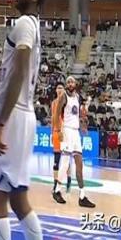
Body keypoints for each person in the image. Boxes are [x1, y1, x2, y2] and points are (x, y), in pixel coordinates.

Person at [0, 0, 46, 240]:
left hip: (13, 116)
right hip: (24, 115)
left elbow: (19, 74)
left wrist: (0, 122)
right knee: (18, 199)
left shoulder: (24, 24)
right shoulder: (33, 25)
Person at [52, 76, 95, 208]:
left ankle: (82, 196)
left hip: (76, 132)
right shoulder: (63, 96)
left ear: (75, 84)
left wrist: (84, 125)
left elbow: (79, 115)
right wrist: (58, 130)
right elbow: (56, 114)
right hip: (66, 130)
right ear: (66, 85)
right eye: (68, 82)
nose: (70, 83)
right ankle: (57, 190)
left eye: (72, 82)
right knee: (65, 163)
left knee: (79, 164)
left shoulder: (77, 97)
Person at [51, 83, 72, 194]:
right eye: (58, 88)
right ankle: (55, 184)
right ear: (55, 90)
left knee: (66, 160)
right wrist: (51, 133)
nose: (59, 90)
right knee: (56, 161)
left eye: (61, 88)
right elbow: (53, 118)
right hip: (56, 133)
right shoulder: (53, 103)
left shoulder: (66, 103)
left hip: (65, 133)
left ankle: (68, 181)